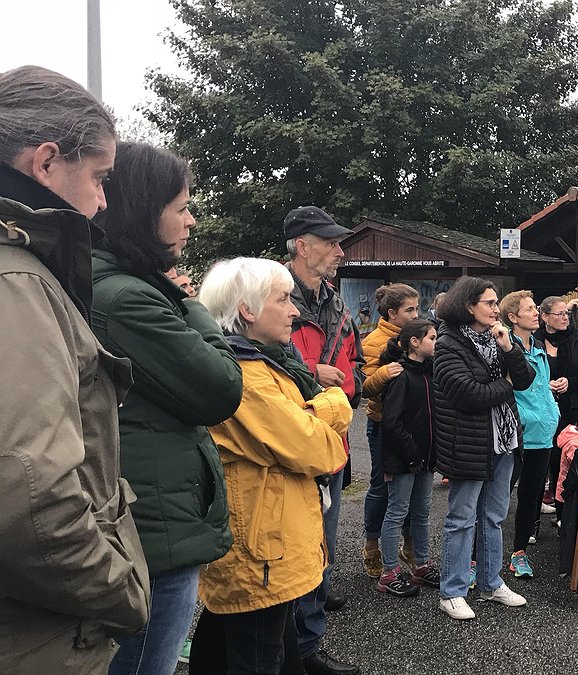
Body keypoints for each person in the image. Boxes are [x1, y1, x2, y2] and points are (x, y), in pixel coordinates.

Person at [0, 65, 149, 674]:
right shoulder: (17, 280)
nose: (104, 200)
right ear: (46, 162)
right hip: (34, 640)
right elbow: (28, 496)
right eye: (99, 177)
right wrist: (122, 590)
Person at [88, 142, 242, 675]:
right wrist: (192, 305)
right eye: (180, 208)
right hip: (154, 534)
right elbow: (220, 388)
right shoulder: (128, 298)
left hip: (147, 518)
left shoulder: (110, 284)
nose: (191, 221)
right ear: (139, 212)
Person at [189, 257, 350, 675]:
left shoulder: (258, 362)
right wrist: (333, 403)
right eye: (283, 299)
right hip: (261, 553)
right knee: (258, 657)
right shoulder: (245, 373)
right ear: (247, 309)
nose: (295, 310)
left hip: (265, 548)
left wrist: (310, 415)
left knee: (240, 647)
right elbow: (319, 451)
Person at [283, 206, 361, 675]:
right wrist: (314, 374)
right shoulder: (267, 293)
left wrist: (342, 385)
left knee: (322, 551)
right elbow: (248, 357)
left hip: (331, 442)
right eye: (330, 242)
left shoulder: (338, 303)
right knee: (286, 552)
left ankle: (308, 647)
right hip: (285, 442)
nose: (340, 251)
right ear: (301, 245)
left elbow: (351, 367)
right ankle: (286, 646)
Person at [434, 276, 534, 621]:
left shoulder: (498, 339)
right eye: (490, 303)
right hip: (469, 442)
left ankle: (491, 583)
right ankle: (452, 591)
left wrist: (509, 349)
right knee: (461, 518)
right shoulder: (447, 344)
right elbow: (467, 395)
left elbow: (526, 379)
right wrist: (504, 385)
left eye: (496, 302)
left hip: (503, 439)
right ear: (468, 307)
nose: (496, 309)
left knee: (493, 516)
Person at [358, 283, 420, 578]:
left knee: (413, 489)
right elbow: (365, 388)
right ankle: (372, 546)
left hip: (414, 424)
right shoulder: (374, 341)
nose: (415, 315)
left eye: (417, 309)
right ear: (392, 313)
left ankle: (408, 546)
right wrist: (385, 371)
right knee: (382, 487)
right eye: (410, 310)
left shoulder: (420, 335)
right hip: (383, 424)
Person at [377, 319, 440, 597]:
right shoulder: (400, 376)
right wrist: (412, 454)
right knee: (397, 511)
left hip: (426, 459)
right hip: (404, 459)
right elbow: (391, 422)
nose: (436, 343)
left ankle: (422, 564)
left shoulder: (430, 374)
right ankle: (389, 571)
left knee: (422, 513)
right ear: (414, 342)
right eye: (432, 338)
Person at [501, 290, 560, 578]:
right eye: (529, 309)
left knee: (531, 495)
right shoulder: (504, 347)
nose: (536, 313)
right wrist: (525, 417)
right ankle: (474, 560)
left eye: (535, 308)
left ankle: (519, 553)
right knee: (496, 498)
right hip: (517, 433)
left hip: (543, 432)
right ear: (512, 317)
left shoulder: (538, 344)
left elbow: (539, 387)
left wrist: (552, 405)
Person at [535, 296, 578, 510]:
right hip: (543, 410)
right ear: (544, 317)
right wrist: (545, 385)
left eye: (566, 314)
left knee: (568, 464)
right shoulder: (534, 340)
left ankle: (566, 517)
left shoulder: (575, 339)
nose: (565, 318)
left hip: (571, 410)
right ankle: (534, 517)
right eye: (559, 314)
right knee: (542, 464)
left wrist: (569, 382)